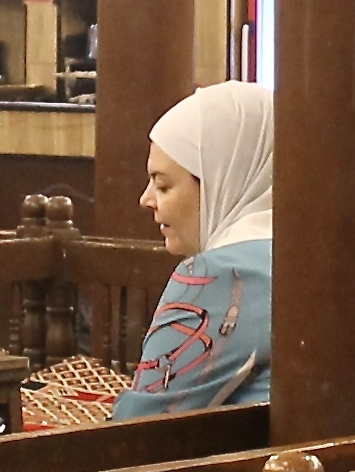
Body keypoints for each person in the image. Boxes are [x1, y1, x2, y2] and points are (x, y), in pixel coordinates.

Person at [111, 80, 276, 421]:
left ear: (220, 181)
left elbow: (133, 430)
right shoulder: (310, 255)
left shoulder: (218, 274)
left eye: (163, 184)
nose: (146, 199)